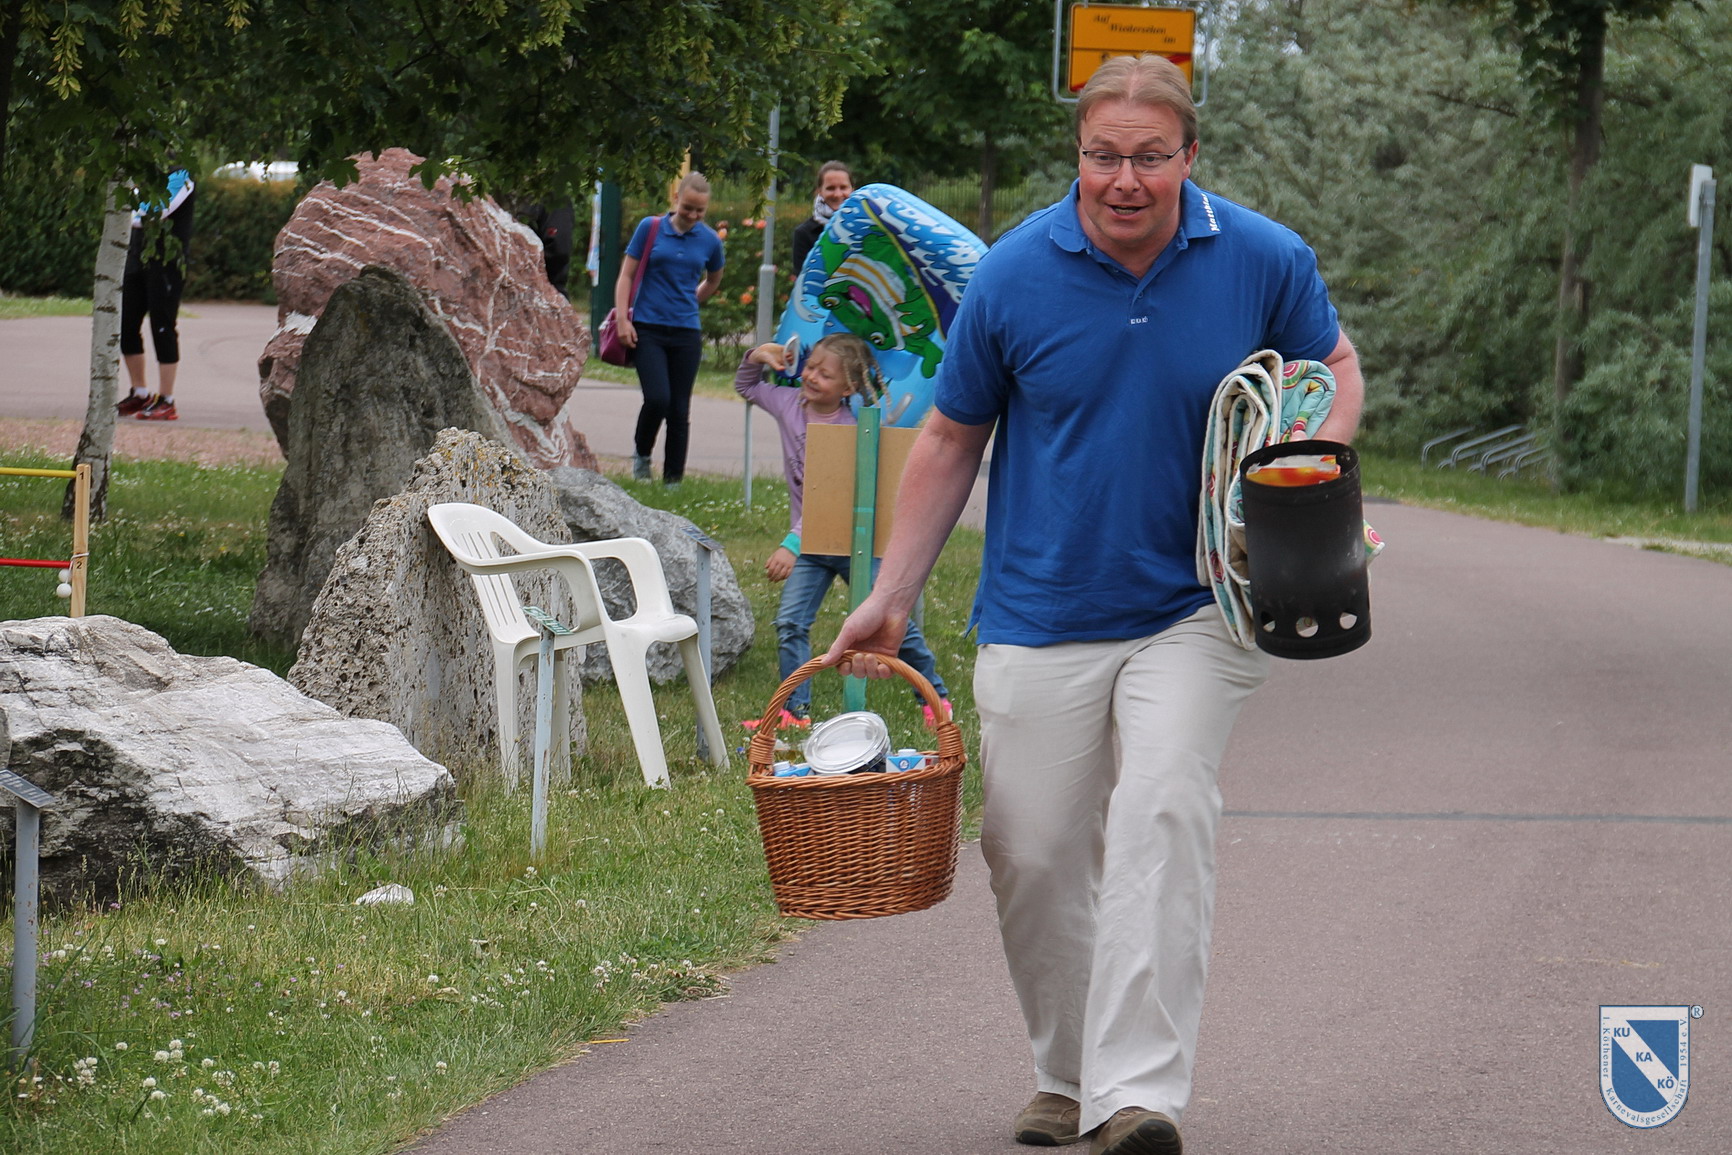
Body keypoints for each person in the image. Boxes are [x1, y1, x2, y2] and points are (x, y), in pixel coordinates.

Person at [823, 55, 1363, 1155]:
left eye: (1149, 157)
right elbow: (950, 436)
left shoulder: (1263, 257)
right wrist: (890, 594)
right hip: (1041, 603)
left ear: (1189, 156)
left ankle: (1136, 1096)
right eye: (1103, 156)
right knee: (1029, 847)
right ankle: (1070, 1076)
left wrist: (1302, 472)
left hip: (1201, 600)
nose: (1124, 179)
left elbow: (1335, 367)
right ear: (1077, 154)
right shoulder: (1014, 273)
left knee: (1162, 810)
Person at [736, 334, 951, 727]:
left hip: (855, 546)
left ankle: (935, 697)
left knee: (890, 623)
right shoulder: (789, 404)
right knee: (790, 623)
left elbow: (833, 497)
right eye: (811, 367)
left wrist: (790, 544)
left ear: (848, 388)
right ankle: (795, 712)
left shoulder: (853, 430)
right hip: (812, 547)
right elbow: (747, 387)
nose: (811, 376)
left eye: (825, 374)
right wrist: (757, 356)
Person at [613, 172, 726, 484]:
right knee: (657, 398)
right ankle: (642, 457)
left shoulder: (710, 240)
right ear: (676, 198)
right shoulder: (650, 228)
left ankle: (673, 480)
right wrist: (622, 319)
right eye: (688, 207)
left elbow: (714, 278)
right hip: (647, 328)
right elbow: (626, 275)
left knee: (679, 409)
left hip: (686, 331)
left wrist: (693, 299)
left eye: (700, 210)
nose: (693, 215)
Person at [116, 168, 197, 421]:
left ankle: (166, 399)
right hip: (137, 257)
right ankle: (140, 393)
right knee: (126, 324)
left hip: (167, 263)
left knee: (162, 326)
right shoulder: (142, 173)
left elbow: (156, 211)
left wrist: (130, 209)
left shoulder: (181, 176)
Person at [789, 160, 855, 274]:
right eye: (830, 188)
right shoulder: (804, 234)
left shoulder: (865, 226)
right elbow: (803, 278)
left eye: (843, 187)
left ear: (852, 190)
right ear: (819, 192)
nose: (838, 194)